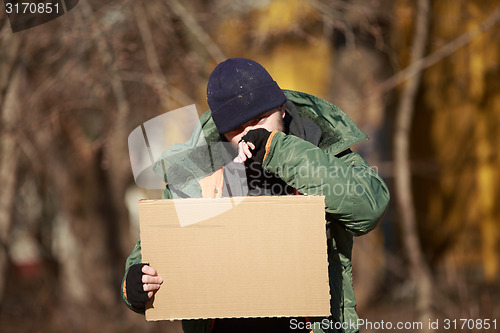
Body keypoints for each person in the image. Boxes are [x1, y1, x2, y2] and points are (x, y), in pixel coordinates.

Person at [121, 58, 390, 333]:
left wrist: (278, 150)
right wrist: (135, 285)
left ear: (281, 108)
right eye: (237, 129)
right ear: (224, 132)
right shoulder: (198, 171)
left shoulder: (324, 147)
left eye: (260, 119)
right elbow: (151, 250)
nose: (250, 133)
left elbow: (369, 207)